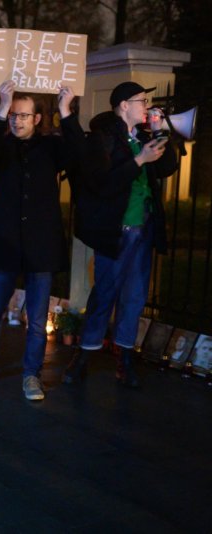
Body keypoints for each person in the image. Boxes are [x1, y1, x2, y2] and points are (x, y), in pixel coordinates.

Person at [0, 81, 83, 401]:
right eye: (13, 116)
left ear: (37, 119)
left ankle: (31, 375)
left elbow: (77, 151)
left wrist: (66, 111)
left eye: (23, 115)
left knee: (36, 318)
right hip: (3, 243)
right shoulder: (2, 147)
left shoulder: (51, 147)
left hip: (40, 246)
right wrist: (1, 107)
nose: (17, 121)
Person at [63, 81, 177, 388]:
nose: (146, 106)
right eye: (141, 101)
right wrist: (139, 160)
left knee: (135, 295)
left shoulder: (143, 135)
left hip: (143, 227)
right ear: (124, 105)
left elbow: (167, 168)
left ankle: (125, 359)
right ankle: (84, 356)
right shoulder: (102, 138)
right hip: (115, 231)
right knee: (105, 293)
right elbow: (101, 182)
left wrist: (164, 133)